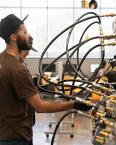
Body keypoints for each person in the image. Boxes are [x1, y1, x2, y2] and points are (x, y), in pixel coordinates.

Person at [0, 14, 91, 145]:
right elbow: (40, 107)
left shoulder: (3, 60)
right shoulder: (18, 70)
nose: (28, 35)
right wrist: (74, 104)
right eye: (24, 32)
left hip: (4, 133)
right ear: (13, 37)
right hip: (17, 137)